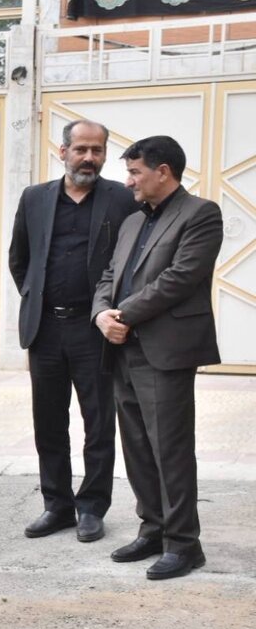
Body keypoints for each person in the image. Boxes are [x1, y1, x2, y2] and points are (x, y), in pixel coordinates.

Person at [93, 135, 223, 580]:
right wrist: (101, 315)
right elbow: (109, 275)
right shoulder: (132, 221)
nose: (128, 181)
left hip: (165, 350)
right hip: (121, 348)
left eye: (135, 172)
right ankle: (153, 528)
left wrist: (123, 314)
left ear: (162, 171)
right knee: (137, 448)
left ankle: (184, 544)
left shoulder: (201, 214)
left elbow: (180, 278)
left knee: (170, 449)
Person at [8, 120, 138, 544]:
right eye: (81, 149)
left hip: (94, 329)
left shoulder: (121, 198)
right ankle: (57, 505)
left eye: (97, 150)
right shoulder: (34, 198)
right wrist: (37, 300)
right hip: (45, 328)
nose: (89, 158)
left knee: (98, 423)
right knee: (48, 422)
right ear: (62, 151)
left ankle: (92, 507)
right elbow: (19, 259)